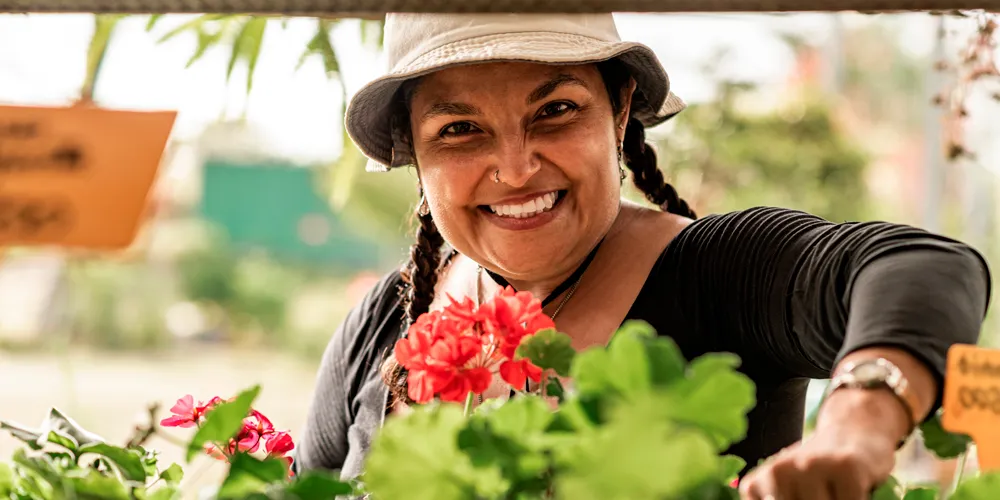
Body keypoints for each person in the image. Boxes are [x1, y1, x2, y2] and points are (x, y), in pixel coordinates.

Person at [294, 12, 992, 500]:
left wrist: (860, 419)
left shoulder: (718, 273)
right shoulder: (382, 324)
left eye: (556, 111)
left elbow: (922, 265)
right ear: (416, 154)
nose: (514, 167)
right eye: (460, 129)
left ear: (619, 111)